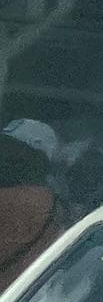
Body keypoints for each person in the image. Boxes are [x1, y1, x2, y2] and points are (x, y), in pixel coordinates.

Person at [0, 122, 57, 291]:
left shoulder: (26, 201)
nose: (2, 156)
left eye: (12, 150)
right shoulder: (56, 203)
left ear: (37, 159)